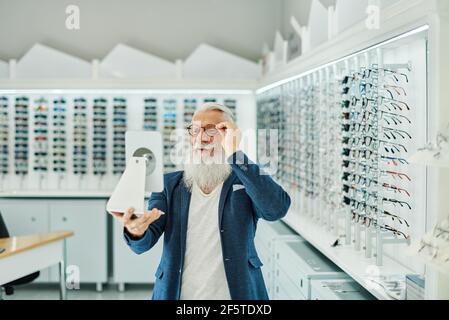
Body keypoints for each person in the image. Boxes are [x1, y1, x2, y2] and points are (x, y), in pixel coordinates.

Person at [110, 103, 291, 300]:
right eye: (195, 130)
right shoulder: (169, 185)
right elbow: (143, 244)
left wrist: (235, 154)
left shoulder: (245, 180)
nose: (201, 138)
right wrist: (136, 231)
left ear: (230, 135)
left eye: (212, 130)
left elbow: (276, 209)